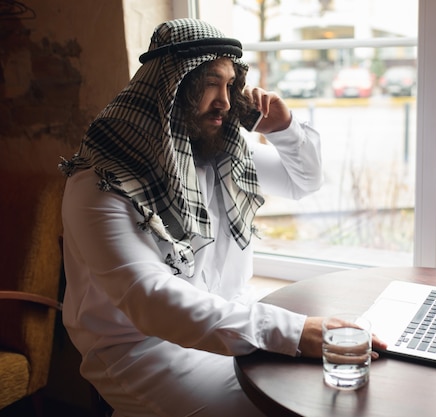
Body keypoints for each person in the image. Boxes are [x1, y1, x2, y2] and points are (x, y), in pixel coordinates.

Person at [59, 18, 385, 417]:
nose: (226, 101)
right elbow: (149, 297)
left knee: (329, 393)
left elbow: (304, 181)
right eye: (211, 83)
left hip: (231, 320)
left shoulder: (219, 155)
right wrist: (296, 331)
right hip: (144, 351)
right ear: (172, 88)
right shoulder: (101, 183)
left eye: (230, 85)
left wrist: (284, 129)